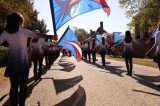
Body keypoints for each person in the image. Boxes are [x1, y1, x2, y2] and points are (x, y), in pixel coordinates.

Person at [0, 12, 51, 106]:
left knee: (13, 86)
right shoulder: (23, 31)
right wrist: (50, 36)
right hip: (23, 62)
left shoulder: (5, 33)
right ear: (19, 21)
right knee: (23, 86)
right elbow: (37, 35)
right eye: (22, 20)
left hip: (12, 62)